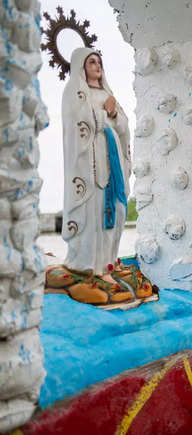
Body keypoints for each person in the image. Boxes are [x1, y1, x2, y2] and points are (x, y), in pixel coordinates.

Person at [61, 48, 131, 284]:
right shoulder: (76, 92)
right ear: (82, 66)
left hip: (112, 159)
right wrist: (105, 114)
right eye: (92, 62)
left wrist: (114, 115)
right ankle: (93, 265)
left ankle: (110, 261)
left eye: (99, 62)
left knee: (118, 209)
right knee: (96, 210)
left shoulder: (107, 93)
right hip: (91, 163)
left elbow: (123, 127)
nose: (97, 66)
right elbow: (77, 123)